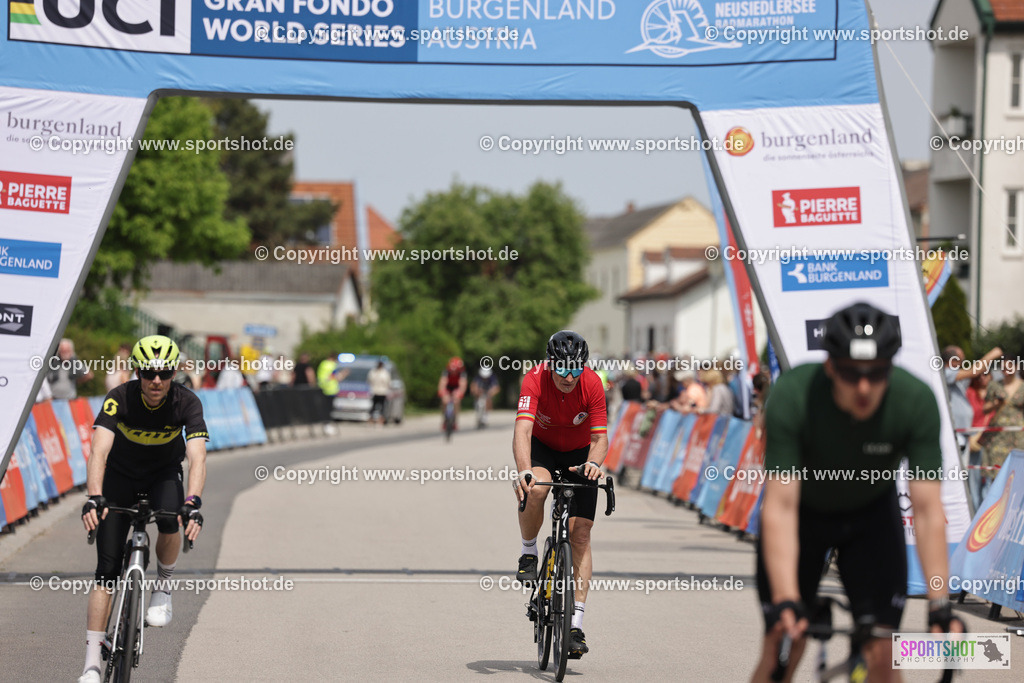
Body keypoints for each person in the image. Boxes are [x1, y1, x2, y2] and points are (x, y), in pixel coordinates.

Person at [751, 302, 963, 683]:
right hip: (802, 516)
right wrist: (786, 599)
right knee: (784, 642)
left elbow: (929, 510)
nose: (864, 387)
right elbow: (780, 506)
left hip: (870, 516)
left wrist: (939, 604)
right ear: (830, 366)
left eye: (877, 373)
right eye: (851, 374)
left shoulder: (915, 401)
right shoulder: (794, 395)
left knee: (882, 652)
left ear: (891, 367)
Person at [78, 335, 208, 683]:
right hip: (119, 477)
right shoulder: (118, 399)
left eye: (164, 373)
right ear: (137, 372)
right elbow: (99, 452)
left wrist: (193, 503)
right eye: (148, 372)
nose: (156, 380)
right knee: (106, 568)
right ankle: (92, 662)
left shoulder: (187, 402)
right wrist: (94, 495)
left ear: (173, 373)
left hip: (162, 475)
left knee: (170, 518)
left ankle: (163, 586)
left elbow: (197, 458)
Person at [513, 331, 608, 659]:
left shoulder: (593, 383)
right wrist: (524, 469)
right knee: (536, 488)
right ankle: (529, 552)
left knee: (580, 534)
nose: (569, 377)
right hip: (543, 450)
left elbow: (600, 438)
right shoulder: (535, 379)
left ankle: (575, 626)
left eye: (576, 370)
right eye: (562, 369)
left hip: (580, 454)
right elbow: (523, 430)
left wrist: (595, 464)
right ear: (550, 364)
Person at [979, 355, 1024, 490]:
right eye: (1003, 368)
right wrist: (996, 403)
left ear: (1016, 367)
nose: (1006, 370)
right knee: (997, 478)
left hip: (1019, 437)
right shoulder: (994, 385)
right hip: (997, 437)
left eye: (1009, 367)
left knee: (1018, 476)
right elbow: (984, 409)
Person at [438, 357, 468, 430]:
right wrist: (443, 393)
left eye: (456, 370)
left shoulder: (462, 374)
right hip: (448, 387)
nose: (454, 372)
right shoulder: (446, 372)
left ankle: (454, 420)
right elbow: (442, 384)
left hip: (456, 388)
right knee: (444, 401)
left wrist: (459, 393)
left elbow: (463, 385)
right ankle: (445, 418)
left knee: (456, 401)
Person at [368, 360, 392, 427]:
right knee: (373, 407)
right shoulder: (374, 372)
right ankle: (372, 419)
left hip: (382, 392)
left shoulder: (384, 373)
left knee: (382, 407)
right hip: (375, 391)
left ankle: (380, 420)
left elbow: (388, 383)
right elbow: (370, 381)